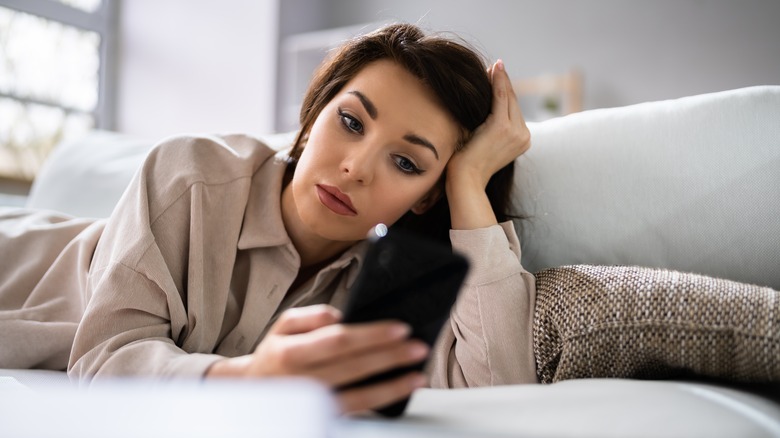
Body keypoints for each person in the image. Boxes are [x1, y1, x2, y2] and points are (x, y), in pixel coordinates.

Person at [0, 23, 535, 413]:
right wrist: (250, 377)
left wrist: (467, 183)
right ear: (312, 116)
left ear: (426, 196)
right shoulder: (191, 173)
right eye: (350, 121)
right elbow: (102, 361)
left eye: (406, 162)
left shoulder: (386, 287)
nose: (355, 168)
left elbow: (502, 386)